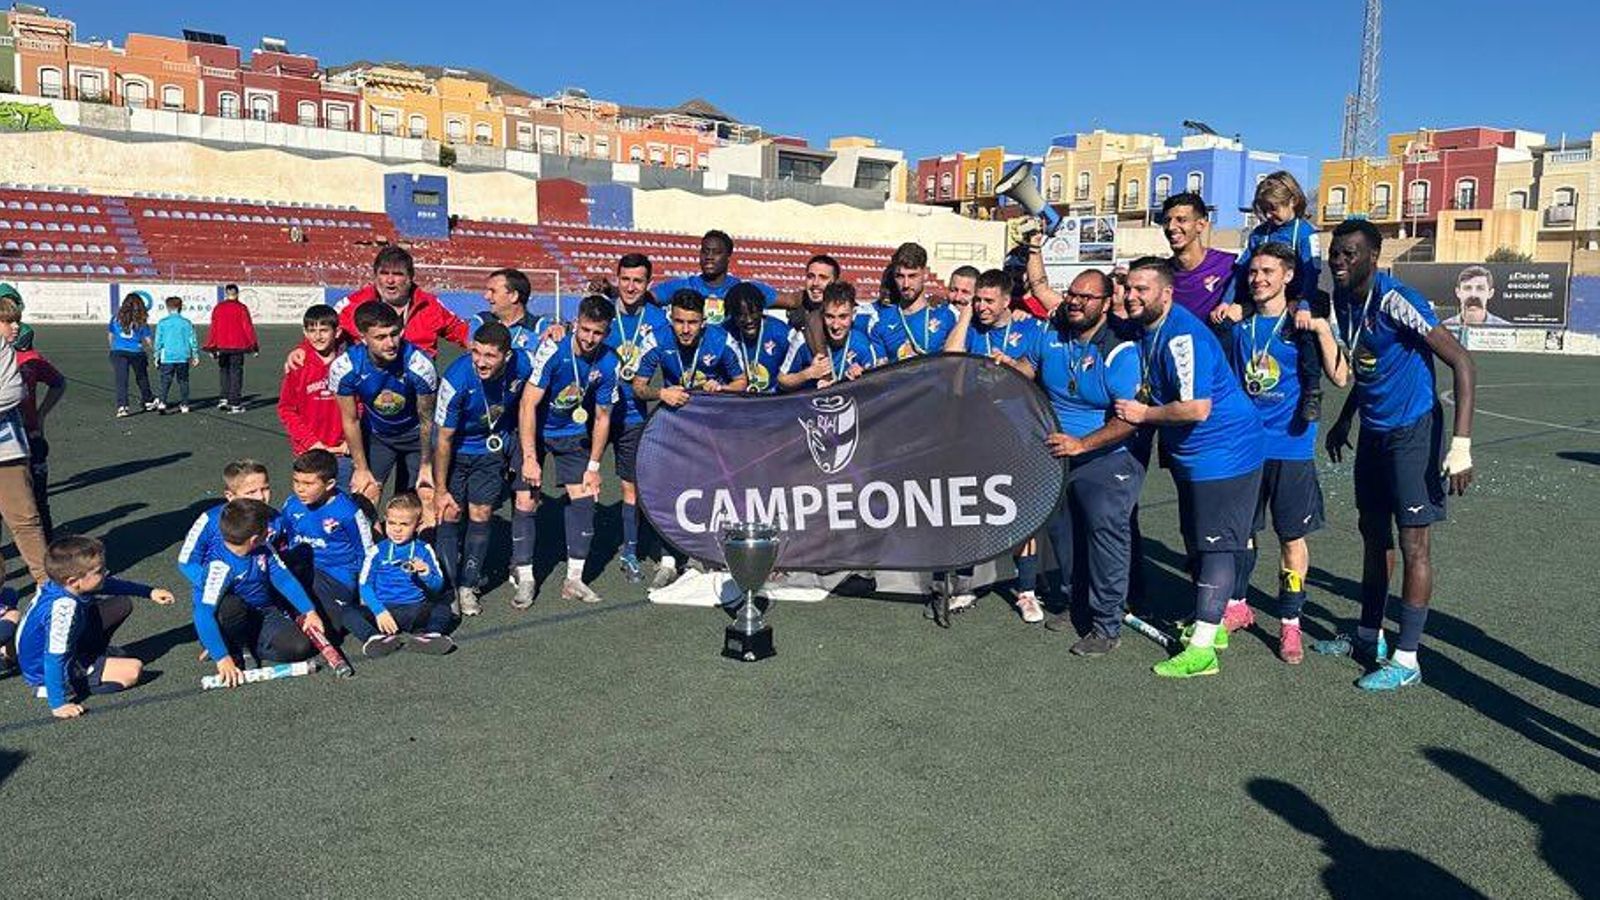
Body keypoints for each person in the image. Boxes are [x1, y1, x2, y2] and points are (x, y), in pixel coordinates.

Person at [1315, 219, 1477, 692]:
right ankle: (1369, 636)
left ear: (1373, 257)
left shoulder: (1395, 299)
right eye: (1335, 253)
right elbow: (1367, 362)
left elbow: (1463, 363)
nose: (1339, 261)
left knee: (1414, 546)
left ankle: (1407, 658)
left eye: (1350, 253)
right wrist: (1347, 419)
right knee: (1372, 534)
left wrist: (1461, 446)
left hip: (1414, 431)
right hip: (1374, 432)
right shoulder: (1343, 301)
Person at [1113, 257, 1265, 679]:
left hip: (1225, 450)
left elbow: (1198, 408)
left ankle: (1202, 651)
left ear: (1167, 292)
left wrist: (1143, 415)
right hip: (1193, 454)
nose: (1132, 295)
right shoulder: (1146, 328)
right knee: (1197, 539)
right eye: (1128, 287)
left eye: (1142, 289)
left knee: (1214, 544)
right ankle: (1210, 623)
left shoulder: (1183, 335)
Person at [1227, 243, 1349, 663]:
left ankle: (1290, 624)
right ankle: (1238, 606)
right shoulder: (1240, 326)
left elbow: (1340, 376)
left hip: (1291, 447)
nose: (1258, 278)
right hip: (1246, 449)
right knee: (1241, 532)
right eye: (1254, 271)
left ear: (1288, 276)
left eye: (1268, 272)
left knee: (1290, 537)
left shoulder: (1300, 324)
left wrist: (1321, 328)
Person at [1010, 269, 1144, 649]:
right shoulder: (1051, 331)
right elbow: (1027, 368)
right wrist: (1000, 368)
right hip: (1059, 453)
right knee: (1063, 537)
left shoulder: (1119, 345)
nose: (1075, 301)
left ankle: (1107, 624)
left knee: (1104, 533)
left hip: (1108, 454)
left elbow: (1128, 418)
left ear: (1105, 304)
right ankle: (1075, 604)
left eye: (1087, 297)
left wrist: (1083, 445)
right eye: (1072, 294)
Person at [943, 268, 1048, 620]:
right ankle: (965, 585)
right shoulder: (971, 329)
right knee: (971, 510)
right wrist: (967, 313)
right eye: (978, 299)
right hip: (974, 433)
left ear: (1007, 300)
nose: (983, 306)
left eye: (989, 300)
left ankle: (1028, 590)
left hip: (1019, 434)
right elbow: (949, 358)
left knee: (1022, 513)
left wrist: (1012, 366)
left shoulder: (1028, 328)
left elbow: (1036, 370)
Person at [631, 289, 748, 588]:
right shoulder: (657, 339)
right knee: (667, 491)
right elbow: (638, 386)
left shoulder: (721, 340)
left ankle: (699, 555)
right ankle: (668, 560)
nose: (685, 329)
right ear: (671, 319)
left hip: (711, 426)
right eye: (679, 321)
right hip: (674, 425)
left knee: (707, 489)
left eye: (692, 322)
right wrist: (661, 393)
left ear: (703, 322)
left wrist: (721, 388)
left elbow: (742, 382)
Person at [519, 295, 622, 605]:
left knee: (586, 497)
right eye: (586, 329)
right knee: (526, 499)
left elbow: (603, 416)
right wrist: (529, 457)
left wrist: (594, 467)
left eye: (598, 333)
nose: (590, 338)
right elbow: (527, 403)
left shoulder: (609, 361)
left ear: (607, 332)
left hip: (572, 432)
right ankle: (525, 577)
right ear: (575, 323)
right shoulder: (553, 348)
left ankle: (573, 580)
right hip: (536, 430)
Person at [433, 321, 535, 613]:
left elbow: (546, 353)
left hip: (490, 451)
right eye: (476, 352)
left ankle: (468, 585)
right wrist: (441, 489)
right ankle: (448, 588)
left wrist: (558, 329)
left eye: (490, 356)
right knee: (450, 511)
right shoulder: (457, 379)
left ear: (507, 355)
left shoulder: (523, 364)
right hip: (454, 450)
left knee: (482, 513)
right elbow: (443, 439)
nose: (480, 361)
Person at [15, 536, 175, 718]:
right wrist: (58, 704)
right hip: (43, 669)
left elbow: (108, 585)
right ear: (74, 581)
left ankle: (92, 657)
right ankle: (60, 685)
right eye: (99, 571)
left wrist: (149, 592)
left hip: (58, 651)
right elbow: (54, 657)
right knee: (132, 670)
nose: (106, 572)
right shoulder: (63, 609)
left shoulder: (64, 585)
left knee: (121, 604)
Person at [190, 498, 326, 688]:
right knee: (230, 607)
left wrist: (309, 611)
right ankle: (233, 647)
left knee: (300, 647)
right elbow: (203, 613)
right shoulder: (219, 567)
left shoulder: (264, 547)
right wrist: (222, 658)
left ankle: (251, 645)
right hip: (234, 615)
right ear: (254, 539)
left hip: (264, 612)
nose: (271, 530)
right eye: (267, 528)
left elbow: (284, 579)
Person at [600, 254, 672, 584]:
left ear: (648, 285)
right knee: (584, 483)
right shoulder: (602, 310)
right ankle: (581, 551)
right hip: (595, 412)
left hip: (632, 413)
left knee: (632, 485)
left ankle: (630, 550)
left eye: (638, 281)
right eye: (625, 279)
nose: (630, 287)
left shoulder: (657, 319)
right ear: (617, 279)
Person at [1237, 171, 1327, 422]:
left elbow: (1312, 273)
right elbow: (1241, 270)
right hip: (1265, 297)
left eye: (1274, 208)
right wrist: (1228, 303)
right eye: (1264, 209)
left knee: (1305, 330)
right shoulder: (1259, 234)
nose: (1269, 215)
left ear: (1293, 202)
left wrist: (1304, 305)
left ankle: (1312, 390)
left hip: (1302, 296)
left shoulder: (1305, 232)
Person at [330, 301, 439, 505]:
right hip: (377, 436)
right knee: (366, 493)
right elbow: (351, 420)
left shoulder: (420, 365)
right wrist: (361, 469)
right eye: (380, 337)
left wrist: (426, 465)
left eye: (394, 334)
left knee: (421, 499)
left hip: (417, 437)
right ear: (363, 337)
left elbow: (428, 421)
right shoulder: (345, 367)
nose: (390, 343)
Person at [279, 449, 376, 651]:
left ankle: (358, 619)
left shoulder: (348, 512)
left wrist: (365, 593)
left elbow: (366, 552)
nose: (300, 489)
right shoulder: (291, 505)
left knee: (330, 629)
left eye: (308, 484)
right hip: (302, 569)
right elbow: (287, 539)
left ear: (330, 484)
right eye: (296, 482)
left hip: (336, 577)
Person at [359, 493, 455, 657]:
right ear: (385, 520)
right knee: (347, 611)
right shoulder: (377, 551)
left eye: (404, 524)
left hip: (415, 610)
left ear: (418, 525)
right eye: (392, 523)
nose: (397, 529)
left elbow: (437, 586)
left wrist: (426, 573)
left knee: (444, 606)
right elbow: (364, 585)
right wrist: (379, 611)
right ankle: (375, 638)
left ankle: (431, 636)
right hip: (384, 611)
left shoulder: (423, 550)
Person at [333, 245, 471, 357]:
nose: (390, 280)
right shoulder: (353, 305)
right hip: (368, 385)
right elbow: (321, 334)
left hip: (417, 386)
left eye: (398, 274)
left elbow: (465, 333)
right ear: (375, 276)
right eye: (384, 273)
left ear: (410, 278)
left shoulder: (429, 305)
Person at [5, 295, 63, 541]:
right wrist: (40, 417)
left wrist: (39, 417)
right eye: (10, 321)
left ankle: (46, 559)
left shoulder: (29, 359)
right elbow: (58, 383)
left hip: (26, 437)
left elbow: (59, 383)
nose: (15, 327)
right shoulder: (30, 359)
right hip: (16, 439)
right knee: (36, 504)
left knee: (36, 503)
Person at [278, 305, 353, 491]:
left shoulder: (349, 365)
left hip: (342, 452)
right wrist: (312, 443)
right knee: (309, 505)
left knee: (342, 504)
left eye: (324, 330)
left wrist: (351, 440)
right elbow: (286, 410)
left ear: (337, 332)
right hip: (308, 452)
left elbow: (359, 407)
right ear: (305, 332)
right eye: (312, 330)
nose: (317, 336)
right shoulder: (298, 365)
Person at [0, 295, 46, 587]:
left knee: (25, 520)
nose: (16, 327)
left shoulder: (3, 350)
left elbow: (14, 392)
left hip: (6, 452)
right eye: (9, 321)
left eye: (17, 320)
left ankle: (48, 585)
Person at [176, 459, 275, 592]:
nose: (260, 497)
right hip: (225, 593)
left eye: (265, 489)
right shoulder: (209, 520)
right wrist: (212, 586)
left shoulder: (276, 518)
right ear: (230, 496)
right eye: (251, 493)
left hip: (261, 592)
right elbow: (186, 561)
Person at [649, 229, 776, 327]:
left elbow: (791, 300)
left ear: (728, 257)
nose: (709, 256)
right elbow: (645, 298)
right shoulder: (682, 286)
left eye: (716, 252)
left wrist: (795, 313)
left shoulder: (743, 290)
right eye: (705, 251)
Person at [778, 281, 880, 391]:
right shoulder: (802, 340)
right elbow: (782, 380)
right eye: (830, 317)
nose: (836, 326)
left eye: (843, 317)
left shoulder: (861, 342)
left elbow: (877, 385)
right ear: (822, 314)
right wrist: (808, 374)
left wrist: (862, 377)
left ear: (853, 313)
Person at [865, 243, 956, 361]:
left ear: (925, 275)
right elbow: (880, 371)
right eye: (900, 276)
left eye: (912, 276)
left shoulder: (946, 315)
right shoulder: (880, 321)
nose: (906, 284)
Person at [1161, 193, 1241, 328]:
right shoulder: (1161, 273)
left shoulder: (1228, 265)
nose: (1171, 227)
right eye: (1167, 220)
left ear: (1200, 225)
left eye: (1181, 220)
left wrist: (1240, 308)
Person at [723, 282, 793, 394]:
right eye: (741, 315)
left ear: (761, 309)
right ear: (732, 314)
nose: (749, 320)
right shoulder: (723, 333)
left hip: (775, 401)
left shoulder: (783, 333)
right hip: (735, 401)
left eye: (753, 313)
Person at [473, 267, 563, 350]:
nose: (486, 296)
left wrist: (561, 334)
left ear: (514, 296)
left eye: (493, 291)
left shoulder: (539, 327)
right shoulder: (481, 322)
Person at [205, 283, 258, 414]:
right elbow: (248, 328)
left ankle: (224, 398)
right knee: (236, 373)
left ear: (226, 293)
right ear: (237, 293)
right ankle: (235, 403)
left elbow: (214, 328)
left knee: (224, 371)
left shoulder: (218, 308)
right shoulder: (242, 308)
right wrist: (254, 345)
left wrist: (211, 346)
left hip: (222, 345)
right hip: (237, 345)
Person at [107, 292, 156, 417]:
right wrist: (156, 351)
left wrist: (113, 348)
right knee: (142, 377)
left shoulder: (116, 318)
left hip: (118, 351)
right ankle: (148, 400)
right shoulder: (141, 320)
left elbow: (111, 336)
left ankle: (122, 406)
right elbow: (148, 340)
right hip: (136, 351)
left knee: (121, 379)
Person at [152, 295, 200, 414]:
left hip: (167, 356)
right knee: (183, 381)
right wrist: (195, 355)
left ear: (168, 308)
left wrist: (156, 356)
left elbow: (158, 341)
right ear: (180, 307)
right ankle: (184, 404)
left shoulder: (163, 323)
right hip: (183, 356)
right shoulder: (187, 323)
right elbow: (192, 340)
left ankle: (162, 403)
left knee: (165, 381)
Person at [1442, 265, 1510, 326]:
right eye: (1467, 288)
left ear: (1490, 293)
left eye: (1480, 288)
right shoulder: (1442, 331)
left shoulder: (1507, 330)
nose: (1473, 294)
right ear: (1458, 292)